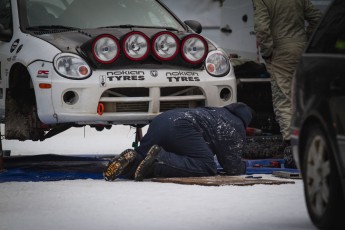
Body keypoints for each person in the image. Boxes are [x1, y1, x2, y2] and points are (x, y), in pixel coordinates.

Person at [104, 102, 253, 181]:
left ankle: (131, 160)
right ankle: (158, 160)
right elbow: (233, 167)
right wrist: (244, 166)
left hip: (161, 120)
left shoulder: (216, 112)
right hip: (181, 126)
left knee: (143, 157)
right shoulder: (235, 125)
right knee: (207, 166)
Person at [252, 0, 322, 167]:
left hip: (280, 52)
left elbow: (262, 27)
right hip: (301, 48)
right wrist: (307, 40)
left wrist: (267, 52)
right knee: (303, 96)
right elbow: (317, 18)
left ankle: (291, 147)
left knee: (283, 97)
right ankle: (308, 141)